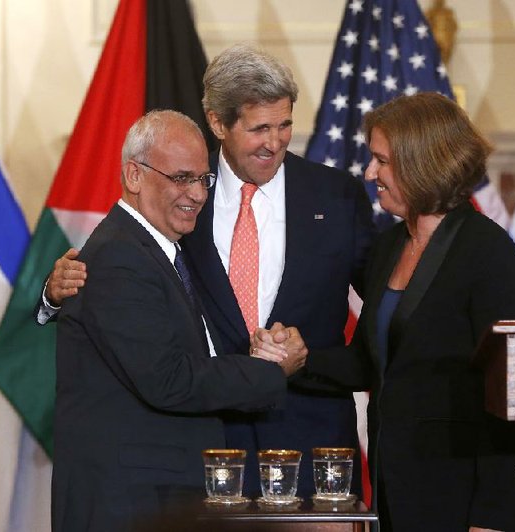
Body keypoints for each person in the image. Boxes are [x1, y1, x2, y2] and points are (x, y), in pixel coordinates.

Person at [41, 44, 376, 498]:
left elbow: (383, 319)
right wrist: (54, 293)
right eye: (259, 128)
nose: (274, 142)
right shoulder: (178, 196)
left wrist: (306, 362)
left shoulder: (336, 197)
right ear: (218, 123)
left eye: (284, 126)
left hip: (311, 447)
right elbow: (127, 282)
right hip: (206, 452)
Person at [254, 93, 515, 531]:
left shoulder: (487, 252)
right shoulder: (388, 247)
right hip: (393, 489)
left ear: (423, 162)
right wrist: (298, 358)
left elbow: (507, 396)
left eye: (382, 161)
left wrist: (490, 515)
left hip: (459, 496)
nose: (369, 173)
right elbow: (370, 360)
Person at [51, 110, 306, 531]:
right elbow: (169, 380)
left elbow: (188, 354)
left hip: (153, 495)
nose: (198, 194)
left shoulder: (157, 249)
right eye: (181, 178)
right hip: (129, 502)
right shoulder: (120, 257)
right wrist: (270, 370)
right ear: (134, 176)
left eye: (203, 180)